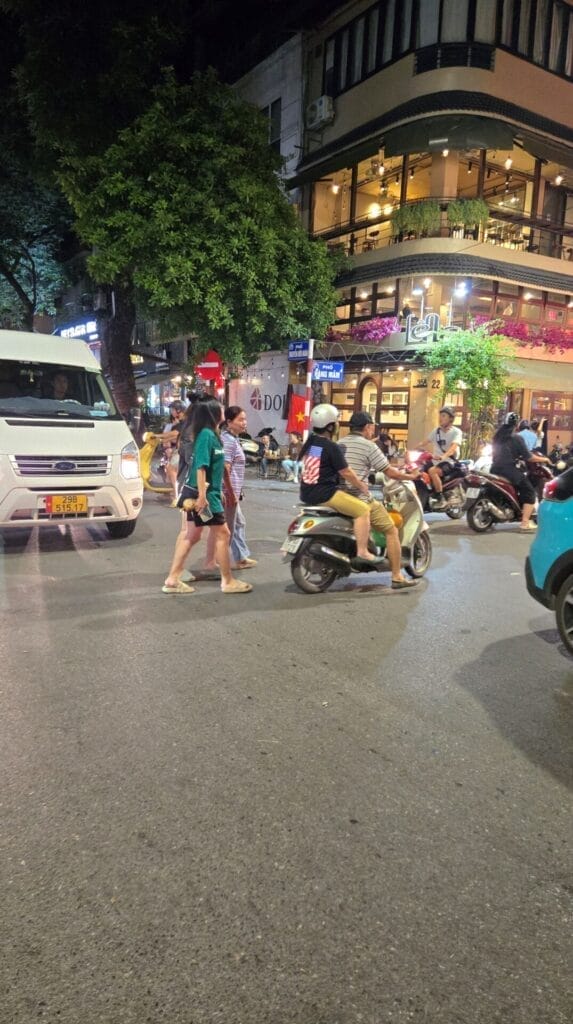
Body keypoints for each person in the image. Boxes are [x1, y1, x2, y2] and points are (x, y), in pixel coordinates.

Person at [162, 399, 252, 594]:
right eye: (220, 409)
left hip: (204, 492)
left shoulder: (213, 435)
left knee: (192, 535)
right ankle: (227, 581)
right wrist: (203, 496)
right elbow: (201, 466)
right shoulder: (205, 435)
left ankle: (172, 579)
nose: (223, 410)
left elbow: (214, 468)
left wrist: (219, 489)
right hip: (201, 494)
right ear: (212, 414)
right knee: (223, 533)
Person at [339, 411, 419, 588]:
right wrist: (411, 476)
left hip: (339, 496)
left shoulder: (339, 443)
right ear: (367, 427)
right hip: (358, 497)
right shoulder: (369, 446)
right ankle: (397, 576)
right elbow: (389, 472)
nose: (372, 430)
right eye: (372, 427)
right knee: (391, 530)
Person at [298, 403, 384, 568]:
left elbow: (318, 468)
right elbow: (346, 472)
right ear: (330, 426)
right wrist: (361, 486)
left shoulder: (313, 443)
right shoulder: (331, 446)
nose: (338, 425)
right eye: (336, 422)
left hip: (307, 492)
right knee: (362, 510)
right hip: (325, 494)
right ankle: (363, 552)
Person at [490, 412, 551, 531]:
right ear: (516, 425)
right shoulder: (516, 438)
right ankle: (524, 522)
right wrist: (545, 459)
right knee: (529, 492)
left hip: (494, 468)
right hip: (509, 470)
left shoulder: (497, 437)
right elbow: (529, 457)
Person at [221, 405, 257, 570]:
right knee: (227, 529)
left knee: (239, 523)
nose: (244, 423)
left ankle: (241, 557)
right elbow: (225, 468)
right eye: (240, 419)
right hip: (228, 492)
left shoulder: (233, 439)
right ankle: (219, 563)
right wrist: (230, 492)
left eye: (245, 419)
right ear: (229, 422)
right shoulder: (228, 441)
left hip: (233, 491)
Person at [415, 405, 463, 509]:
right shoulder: (436, 431)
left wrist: (444, 456)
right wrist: (415, 447)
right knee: (418, 469)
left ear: (451, 418)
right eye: (440, 415)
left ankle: (440, 496)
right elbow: (426, 441)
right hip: (436, 460)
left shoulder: (456, 432)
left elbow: (453, 448)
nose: (440, 418)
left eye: (444, 416)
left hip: (449, 461)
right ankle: (426, 492)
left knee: (432, 471)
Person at [162, 400, 186, 503]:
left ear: (178, 410)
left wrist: (157, 437)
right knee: (169, 468)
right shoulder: (180, 422)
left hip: (183, 450)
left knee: (171, 469)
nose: (171, 412)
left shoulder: (183, 422)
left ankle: (176, 497)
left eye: (172, 409)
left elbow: (175, 434)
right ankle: (170, 493)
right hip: (179, 449)